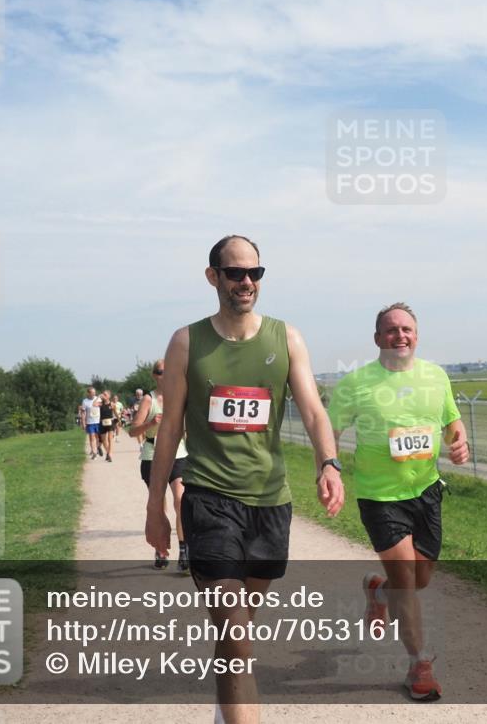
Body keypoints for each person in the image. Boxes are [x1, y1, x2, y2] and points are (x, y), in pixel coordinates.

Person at [145, 234, 343, 724]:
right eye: (235, 273)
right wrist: (156, 508)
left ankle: (226, 704)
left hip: (270, 502)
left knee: (239, 627)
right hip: (210, 498)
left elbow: (315, 411)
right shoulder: (186, 342)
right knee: (235, 629)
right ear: (214, 277)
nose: (247, 282)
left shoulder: (286, 338)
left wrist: (329, 463)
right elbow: (169, 429)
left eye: (255, 273)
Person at [328, 302, 469, 701]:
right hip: (379, 496)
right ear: (377, 339)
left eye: (406, 329)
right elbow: (330, 429)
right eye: (391, 330)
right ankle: (419, 664)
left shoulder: (435, 376)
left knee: (419, 578)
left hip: (426, 491)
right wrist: (330, 468)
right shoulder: (356, 384)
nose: (400, 336)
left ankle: (378, 592)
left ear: (416, 335)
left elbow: (451, 421)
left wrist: (460, 441)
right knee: (407, 578)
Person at [130, 360, 188, 571]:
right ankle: (161, 549)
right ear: (155, 375)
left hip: (178, 453)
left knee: (181, 500)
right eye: (162, 372)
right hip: (153, 456)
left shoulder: (181, 396)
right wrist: (150, 423)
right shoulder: (149, 399)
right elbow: (133, 431)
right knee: (159, 504)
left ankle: (184, 549)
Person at [79, 386, 102, 460]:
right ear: (88, 393)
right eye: (92, 393)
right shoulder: (85, 401)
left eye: (94, 393)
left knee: (97, 437)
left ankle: (98, 448)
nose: (94, 394)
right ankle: (94, 452)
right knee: (92, 437)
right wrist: (83, 423)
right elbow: (83, 413)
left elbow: (103, 408)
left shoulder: (98, 399)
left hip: (98, 421)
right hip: (90, 422)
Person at [98, 390, 116, 462]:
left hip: (110, 422)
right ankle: (108, 453)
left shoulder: (112, 404)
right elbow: (93, 404)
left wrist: (119, 420)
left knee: (110, 439)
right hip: (102, 423)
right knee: (104, 440)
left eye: (105, 395)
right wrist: (98, 397)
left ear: (109, 396)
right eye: (103, 394)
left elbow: (116, 413)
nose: (104, 396)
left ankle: (110, 455)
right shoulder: (100, 404)